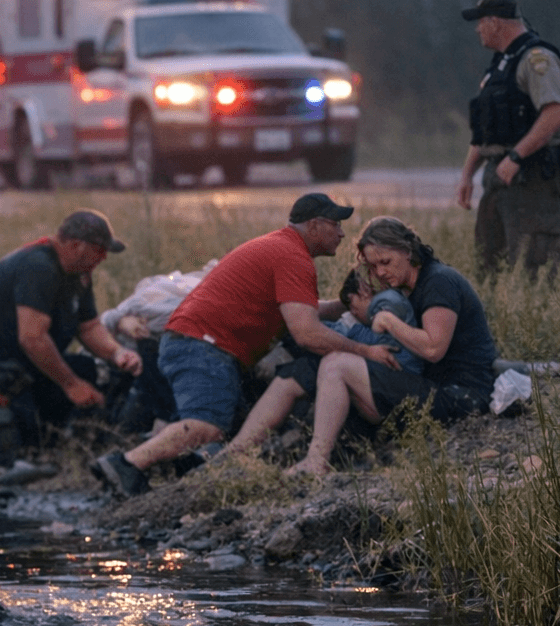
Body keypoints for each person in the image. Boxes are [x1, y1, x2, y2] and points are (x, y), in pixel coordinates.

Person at [89, 193, 401, 498]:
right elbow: (307, 333)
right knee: (207, 425)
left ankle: (164, 468)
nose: (342, 233)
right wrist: (365, 351)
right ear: (316, 225)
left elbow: (300, 310)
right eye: (336, 225)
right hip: (203, 345)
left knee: (223, 426)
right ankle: (126, 464)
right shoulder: (293, 257)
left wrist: (346, 305)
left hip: (195, 340)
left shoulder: (280, 247)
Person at [286, 216, 499, 477]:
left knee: (337, 365)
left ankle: (315, 462)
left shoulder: (438, 282)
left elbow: (434, 348)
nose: (381, 273)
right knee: (331, 362)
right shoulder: (408, 286)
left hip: (461, 395)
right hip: (431, 387)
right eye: (374, 267)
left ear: (408, 250)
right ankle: (309, 452)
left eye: (385, 262)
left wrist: (385, 319)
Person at [0, 209, 142, 484]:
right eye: (99, 250)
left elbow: (88, 327)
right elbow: (32, 337)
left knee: (93, 371)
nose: (103, 258)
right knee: (14, 436)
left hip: (25, 365)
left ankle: (58, 446)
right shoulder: (38, 266)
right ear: (75, 245)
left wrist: (117, 353)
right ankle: (6, 462)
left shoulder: (78, 275)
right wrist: (71, 384)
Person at [221, 268, 424, 459]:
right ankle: (242, 447)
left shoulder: (380, 314)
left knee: (320, 360)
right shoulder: (384, 314)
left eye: (353, 306)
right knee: (306, 367)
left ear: (364, 291)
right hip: (385, 390)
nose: (352, 313)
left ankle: (248, 448)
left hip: (394, 392)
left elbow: (325, 333)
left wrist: (292, 324)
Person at [455, 0, 560, 278]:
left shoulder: (536, 59)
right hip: (499, 181)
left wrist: (517, 155)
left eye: (481, 21)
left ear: (495, 22)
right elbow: (485, 131)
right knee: (489, 269)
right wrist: (467, 174)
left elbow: (555, 114)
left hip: (531, 180)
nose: (477, 29)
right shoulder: (499, 66)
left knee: (533, 271)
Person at [98, 257, 219, 433]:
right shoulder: (179, 292)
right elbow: (103, 322)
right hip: (126, 368)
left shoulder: (196, 295)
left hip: (165, 376)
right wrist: (121, 320)